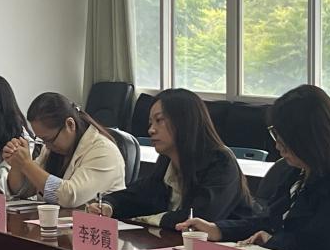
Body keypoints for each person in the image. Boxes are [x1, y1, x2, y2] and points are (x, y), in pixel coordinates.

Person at [177, 84, 330, 250]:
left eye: (284, 138)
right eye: (275, 135)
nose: (277, 146)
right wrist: (217, 229)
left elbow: (319, 246)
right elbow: (267, 220)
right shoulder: (295, 172)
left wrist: (271, 240)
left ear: (310, 138)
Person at [89, 89, 249, 228]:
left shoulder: (221, 162)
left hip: (230, 249)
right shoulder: (167, 159)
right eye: (150, 123)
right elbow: (141, 195)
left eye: (159, 120)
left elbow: (200, 218)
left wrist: (150, 219)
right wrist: (109, 204)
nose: (151, 130)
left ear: (184, 121)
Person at [5, 93, 126, 208]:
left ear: (70, 124)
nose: (47, 146)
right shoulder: (52, 148)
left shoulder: (104, 151)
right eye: (42, 140)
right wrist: (17, 164)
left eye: (49, 139)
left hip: (93, 222)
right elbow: (23, 190)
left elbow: (70, 196)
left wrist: (26, 164)